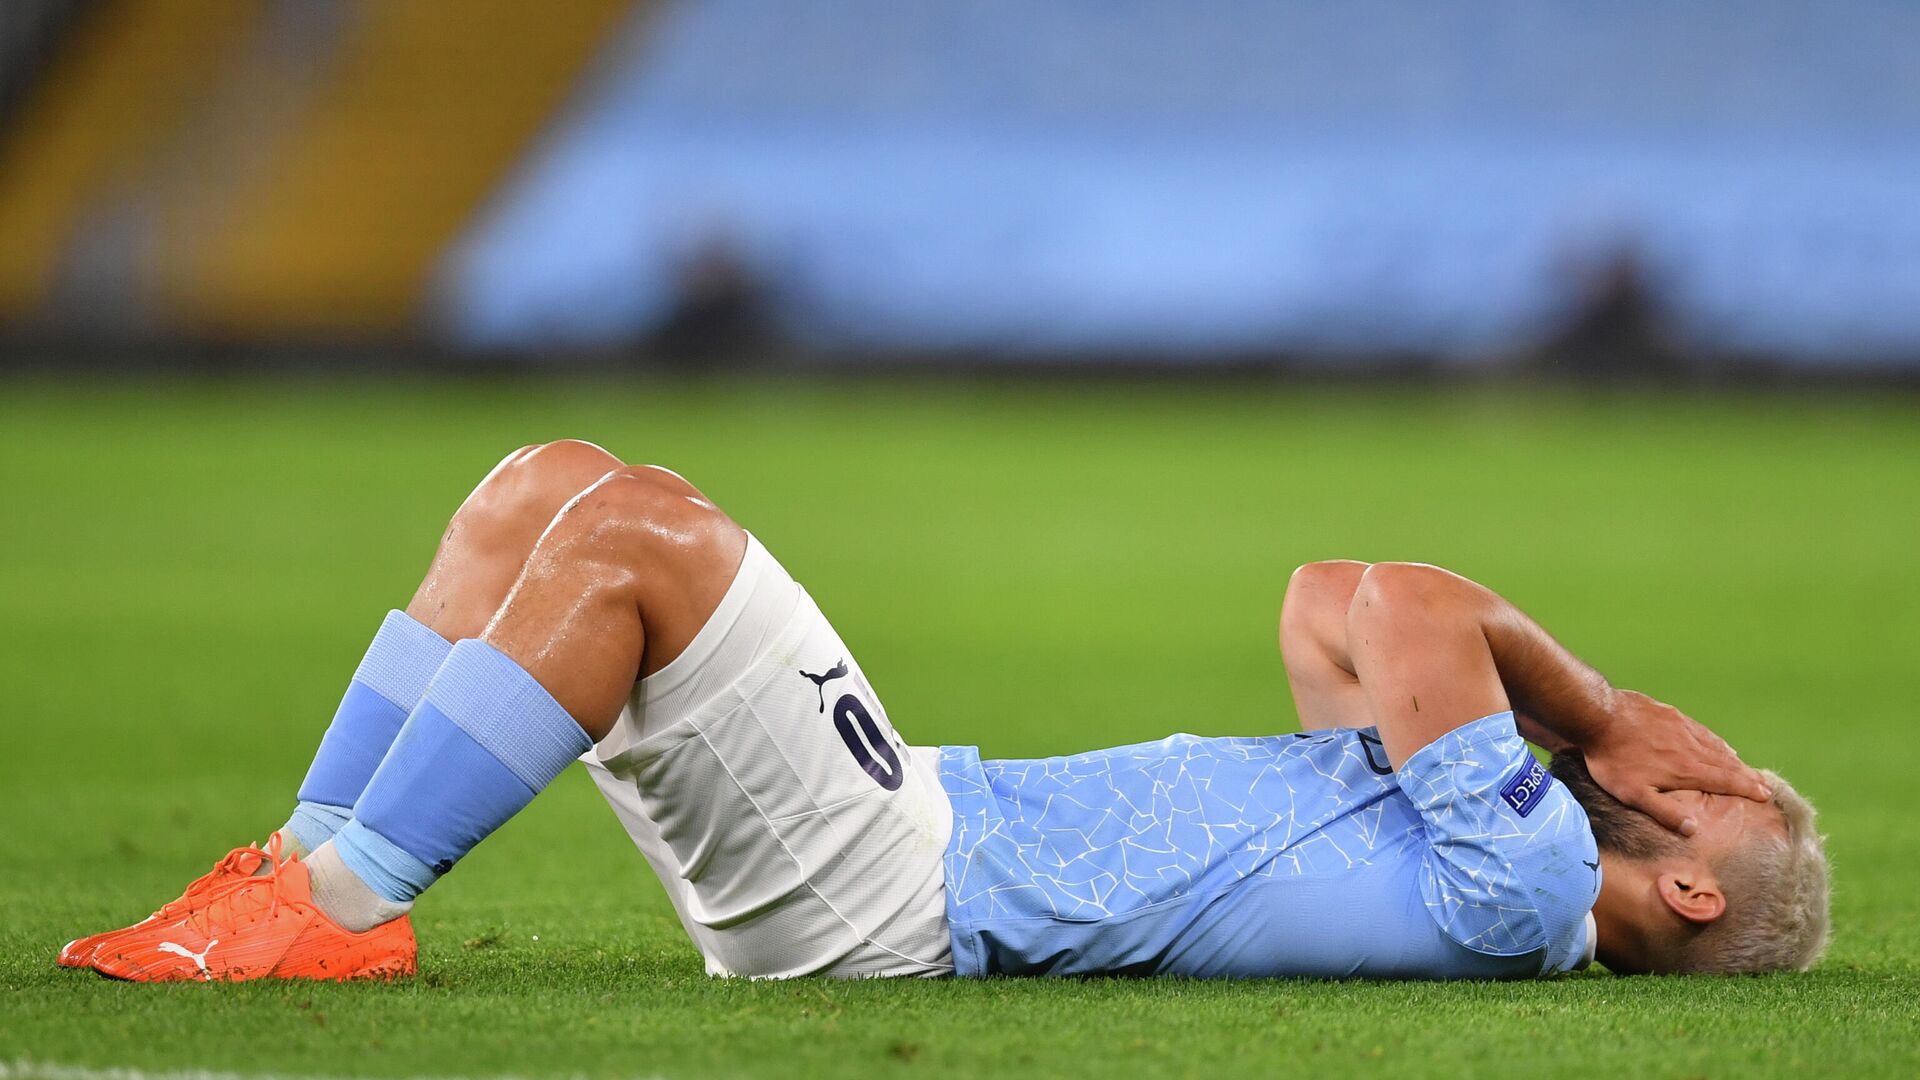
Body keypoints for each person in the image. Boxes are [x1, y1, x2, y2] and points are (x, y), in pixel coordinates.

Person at [60, 441, 1829, 982]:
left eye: (1723, 794)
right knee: (559, 485)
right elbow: (1330, 601)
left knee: (645, 541)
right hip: (898, 844)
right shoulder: (1474, 833)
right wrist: (1586, 736)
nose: (1699, 765)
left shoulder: (1524, 890)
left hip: (898, 890)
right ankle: (295, 874)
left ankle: (349, 910)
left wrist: (1603, 715)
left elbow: (1424, 610)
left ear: (1685, 890)